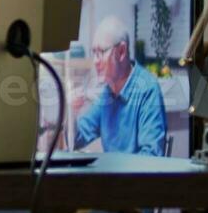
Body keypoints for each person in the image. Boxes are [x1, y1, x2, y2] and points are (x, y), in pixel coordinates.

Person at [71, 15, 166, 156]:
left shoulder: (148, 90)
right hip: (113, 177)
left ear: (121, 51)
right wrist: (72, 112)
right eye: (94, 53)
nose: (96, 61)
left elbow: (151, 156)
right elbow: (77, 139)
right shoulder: (107, 92)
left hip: (135, 178)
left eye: (101, 52)